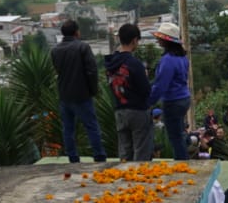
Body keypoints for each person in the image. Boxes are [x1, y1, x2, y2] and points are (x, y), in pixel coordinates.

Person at [51, 19, 106, 163]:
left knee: (68, 129)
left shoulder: (55, 50)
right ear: (77, 32)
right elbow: (92, 71)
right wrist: (93, 90)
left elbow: (58, 70)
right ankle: (99, 156)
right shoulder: (83, 47)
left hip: (64, 95)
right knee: (92, 126)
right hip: (82, 95)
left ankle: (73, 157)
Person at [104, 22, 153, 162]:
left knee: (124, 151)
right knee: (141, 151)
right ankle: (139, 181)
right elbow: (145, 90)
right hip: (137, 111)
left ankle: (125, 180)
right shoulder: (134, 64)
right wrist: (146, 76)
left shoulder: (110, 63)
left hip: (119, 110)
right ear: (134, 40)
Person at [148, 22, 191, 160]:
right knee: (180, 133)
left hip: (173, 101)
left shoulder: (167, 60)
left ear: (166, 41)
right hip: (184, 99)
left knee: (174, 137)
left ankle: (182, 162)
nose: (158, 40)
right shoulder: (182, 57)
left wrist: (149, 101)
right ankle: (185, 159)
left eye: (160, 38)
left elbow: (161, 85)